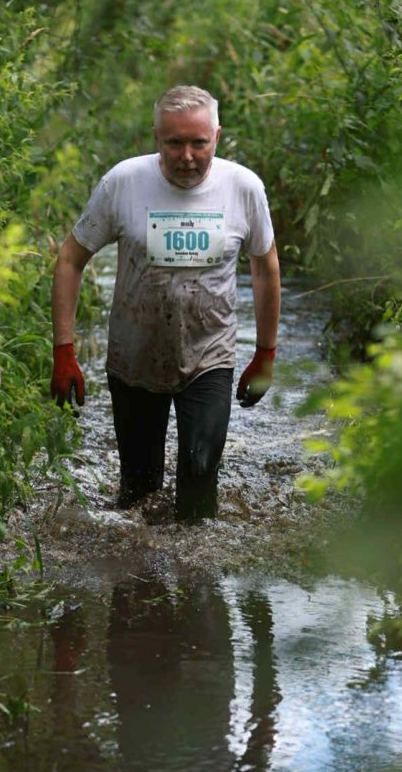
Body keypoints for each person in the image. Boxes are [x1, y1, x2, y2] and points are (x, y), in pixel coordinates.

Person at [50, 85, 280, 521]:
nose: (187, 156)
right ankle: (139, 584)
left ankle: (198, 586)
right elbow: (70, 259)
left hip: (210, 355)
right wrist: (64, 350)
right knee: (138, 495)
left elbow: (265, 267)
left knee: (198, 480)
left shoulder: (243, 187)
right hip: (134, 356)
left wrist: (265, 353)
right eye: (175, 143)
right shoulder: (123, 183)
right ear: (156, 137)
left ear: (217, 136)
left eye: (199, 143)